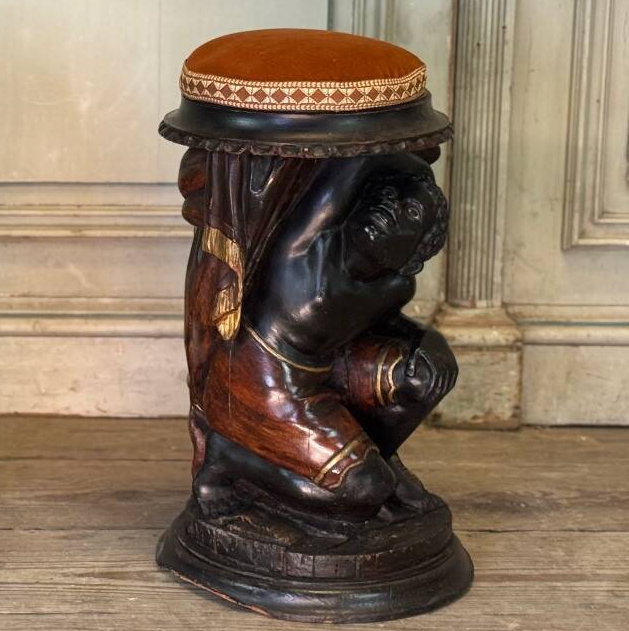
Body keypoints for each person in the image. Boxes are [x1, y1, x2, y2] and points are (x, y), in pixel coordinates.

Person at [196, 152, 458, 519]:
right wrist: (405, 155)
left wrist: (436, 346)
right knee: (365, 491)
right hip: (261, 378)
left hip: (324, 371)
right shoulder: (307, 247)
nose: (390, 209)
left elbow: (400, 333)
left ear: (414, 255)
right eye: (387, 198)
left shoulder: (394, 287)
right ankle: (231, 457)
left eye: (411, 214)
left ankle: (377, 455)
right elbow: (347, 162)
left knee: (423, 374)